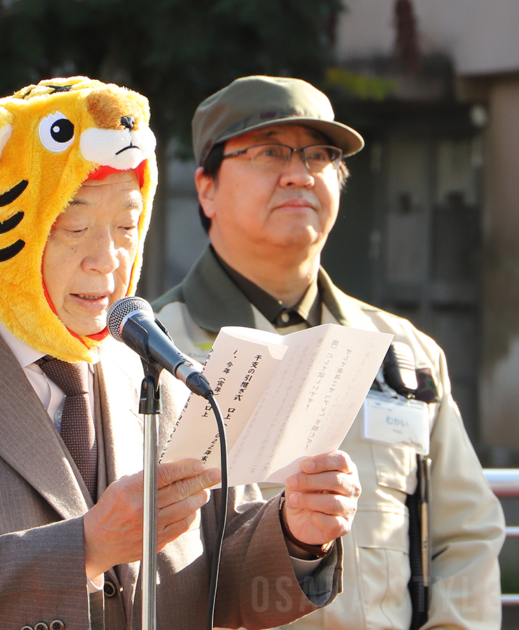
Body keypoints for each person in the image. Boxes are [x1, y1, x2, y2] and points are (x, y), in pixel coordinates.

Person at [0, 76, 361, 630]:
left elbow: (222, 573)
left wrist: (298, 532)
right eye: (74, 227)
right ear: (9, 231)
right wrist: (86, 548)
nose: (108, 259)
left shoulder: (159, 370)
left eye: (127, 225)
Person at [154, 75, 506, 629]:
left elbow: (466, 536)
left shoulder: (404, 353)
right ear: (207, 189)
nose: (299, 173)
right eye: (270, 152)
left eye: (319, 155)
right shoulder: (150, 351)